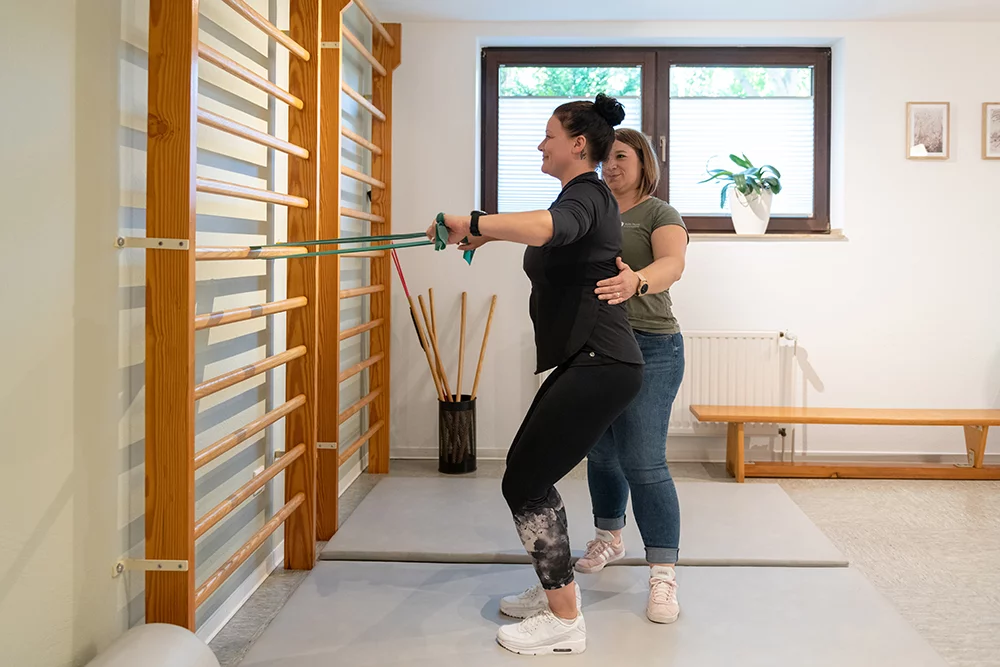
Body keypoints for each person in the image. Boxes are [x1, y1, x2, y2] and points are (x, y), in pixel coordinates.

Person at [428, 94, 644, 656]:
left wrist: (472, 219)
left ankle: (565, 616)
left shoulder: (587, 195)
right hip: (590, 360)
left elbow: (553, 229)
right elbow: (554, 237)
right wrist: (487, 235)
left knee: (523, 479)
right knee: (524, 474)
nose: (540, 145)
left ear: (578, 144)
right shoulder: (580, 197)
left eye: (549, 135)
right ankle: (557, 593)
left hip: (603, 362)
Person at [571, 128, 689, 624]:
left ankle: (662, 575)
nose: (612, 165)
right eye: (607, 157)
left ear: (644, 162)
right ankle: (609, 537)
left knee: (643, 461)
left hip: (652, 346)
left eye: (622, 156)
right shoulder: (590, 209)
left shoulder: (658, 214)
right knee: (602, 452)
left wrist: (635, 280)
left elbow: (673, 263)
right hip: (597, 346)